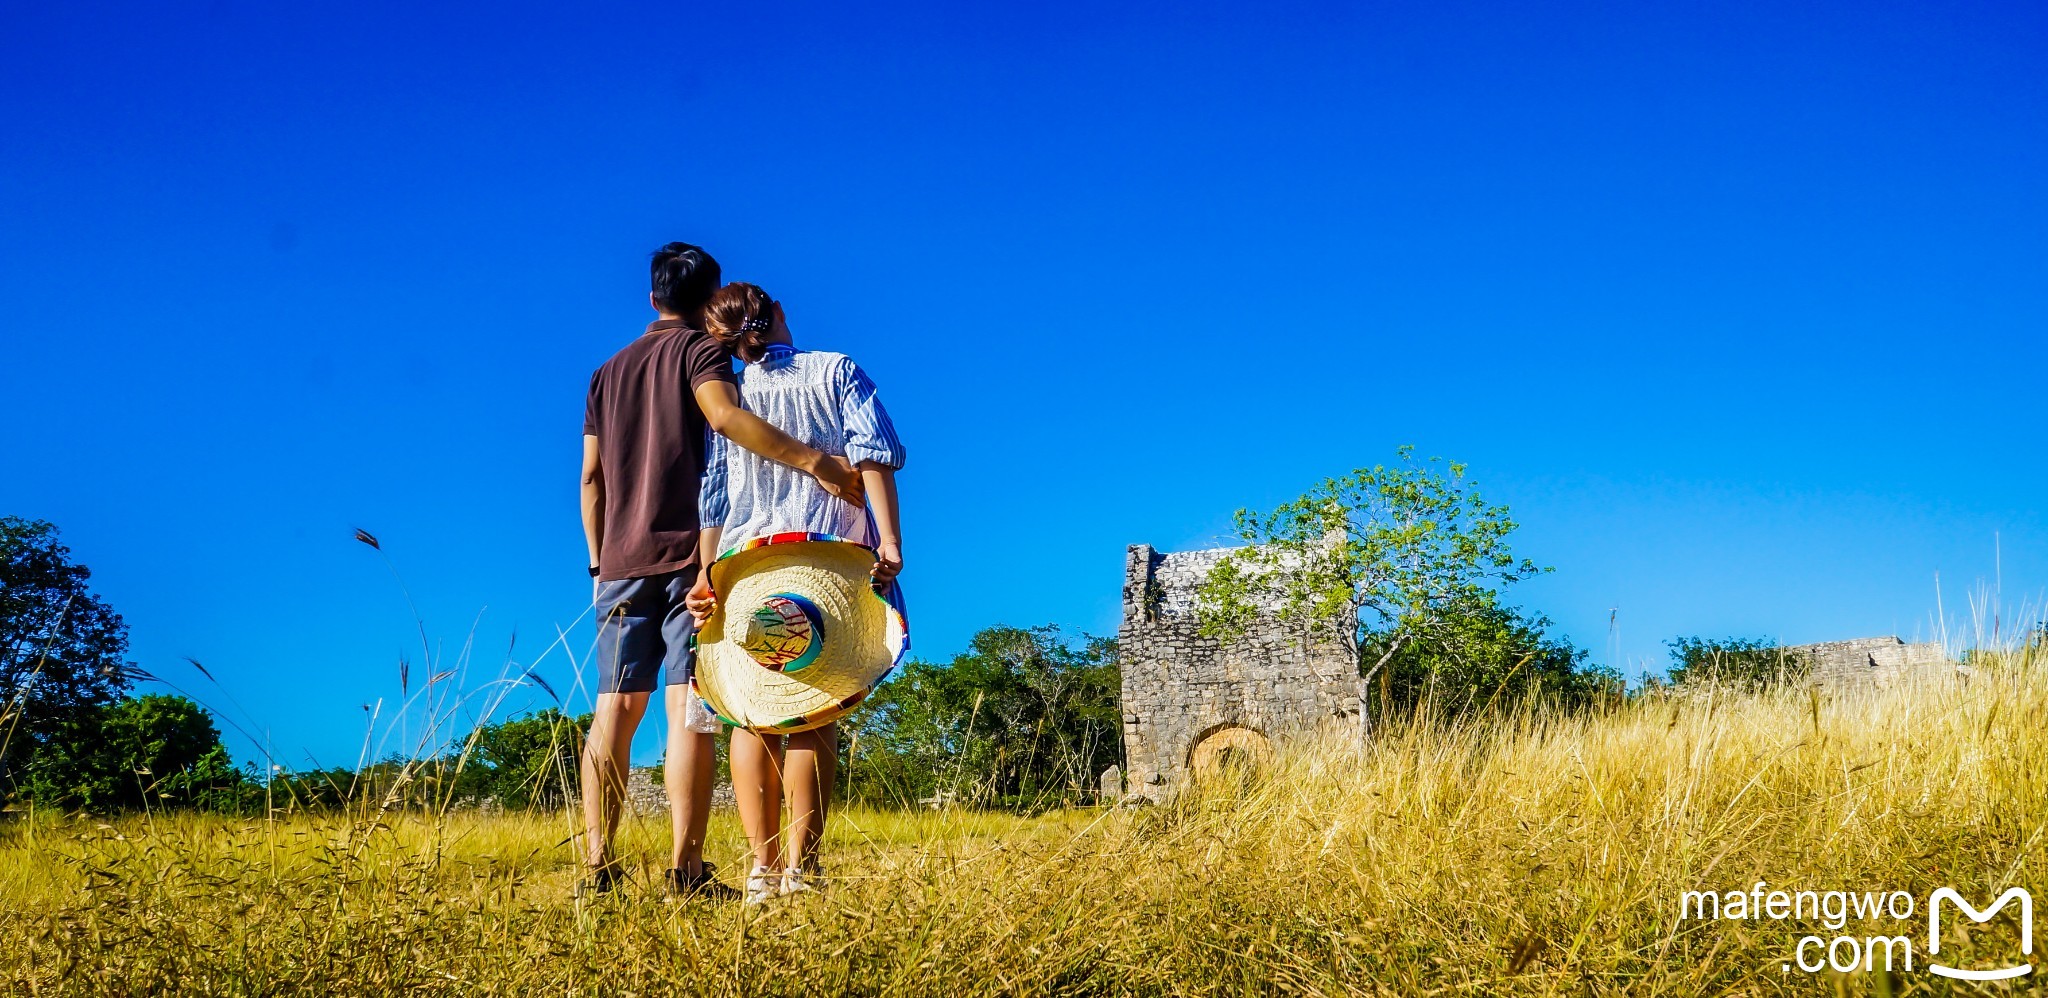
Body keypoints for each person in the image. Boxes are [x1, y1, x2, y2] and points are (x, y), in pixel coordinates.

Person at [578, 244, 865, 900]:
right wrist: (815, 463)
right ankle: (686, 869)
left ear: (652, 297)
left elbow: (590, 477)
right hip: (691, 556)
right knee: (688, 712)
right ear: (708, 305)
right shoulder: (698, 352)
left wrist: (598, 558)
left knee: (613, 710)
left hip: (619, 559)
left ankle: (598, 861)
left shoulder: (604, 373)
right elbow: (725, 419)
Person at [686, 281, 905, 905]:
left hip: (747, 563)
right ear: (778, 311)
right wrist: (889, 542)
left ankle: (762, 871)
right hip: (827, 556)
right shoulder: (836, 370)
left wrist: (706, 574)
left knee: (751, 713)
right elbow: (875, 459)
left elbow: (715, 498)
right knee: (816, 710)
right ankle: (804, 874)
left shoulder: (727, 397)